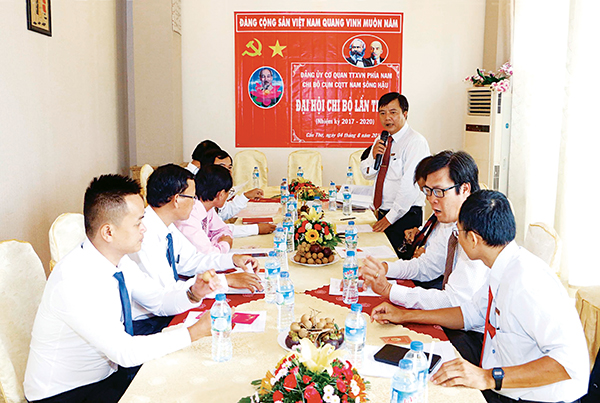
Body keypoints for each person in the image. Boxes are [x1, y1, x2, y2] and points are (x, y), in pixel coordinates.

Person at [371, 190, 589, 403]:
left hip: (531, 396)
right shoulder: (501, 266)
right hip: (502, 382)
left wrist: (487, 377)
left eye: (458, 232)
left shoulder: (528, 283)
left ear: (473, 239)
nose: (457, 238)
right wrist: (404, 315)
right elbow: (469, 314)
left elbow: (571, 362)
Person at [23, 174, 218, 403]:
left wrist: (193, 293)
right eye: (137, 222)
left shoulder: (118, 260)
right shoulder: (74, 280)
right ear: (108, 232)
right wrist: (194, 332)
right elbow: (125, 352)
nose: (144, 229)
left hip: (107, 376)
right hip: (66, 394)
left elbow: (157, 300)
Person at [129, 164, 262, 335]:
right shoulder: (143, 234)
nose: (195, 203)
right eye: (192, 197)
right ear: (177, 199)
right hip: (150, 322)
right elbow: (167, 294)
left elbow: (192, 260)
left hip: (170, 307)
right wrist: (226, 280)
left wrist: (232, 259)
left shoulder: (166, 226)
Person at [360, 150, 488, 308]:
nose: (431, 200)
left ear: (464, 189)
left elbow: (453, 302)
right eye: (428, 191)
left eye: (439, 192)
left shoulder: (478, 232)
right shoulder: (451, 222)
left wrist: (388, 290)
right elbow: (427, 266)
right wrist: (385, 268)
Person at [360, 92, 430, 255]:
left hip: (405, 216)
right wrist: (373, 157)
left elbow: (410, 185)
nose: (387, 118)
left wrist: (390, 218)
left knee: (399, 263)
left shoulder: (415, 142)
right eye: (382, 113)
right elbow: (367, 174)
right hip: (382, 213)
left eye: (393, 112)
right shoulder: (381, 139)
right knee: (379, 259)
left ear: (405, 114)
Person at [185, 142, 275, 237]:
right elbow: (217, 230)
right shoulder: (195, 201)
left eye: (230, 167)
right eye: (222, 167)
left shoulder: (211, 198)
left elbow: (222, 217)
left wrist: (245, 196)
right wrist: (256, 229)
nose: (228, 171)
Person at [175, 165, 234, 254]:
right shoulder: (189, 214)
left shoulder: (208, 208)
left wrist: (215, 243)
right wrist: (225, 244)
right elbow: (210, 255)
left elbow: (223, 230)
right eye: (228, 192)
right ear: (221, 194)